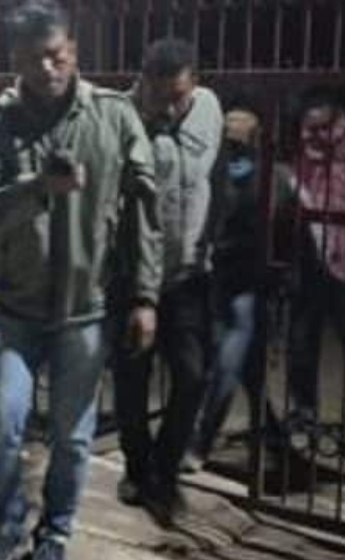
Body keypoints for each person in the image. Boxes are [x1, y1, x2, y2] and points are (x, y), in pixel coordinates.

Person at [0, 0, 162, 560]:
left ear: (73, 49)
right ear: (15, 60)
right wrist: (36, 189)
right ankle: (7, 529)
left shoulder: (114, 116)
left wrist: (145, 296)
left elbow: (144, 215)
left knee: (73, 440)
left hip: (86, 310)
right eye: (33, 59)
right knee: (1, 427)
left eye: (55, 55)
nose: (46, 68)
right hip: (14, 310)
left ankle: (54, 534)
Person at [113, 38, 223, 525]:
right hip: (131, 275)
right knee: (132, 380)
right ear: (143, 82)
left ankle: (165, 465)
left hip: (186, 276)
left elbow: (214, 175)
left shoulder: (209, 108)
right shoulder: (121, 118)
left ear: (194, 83)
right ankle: (137, 470)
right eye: (160, 96)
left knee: (193, 375)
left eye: (179, 96)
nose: (170, 107)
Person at [183, 100, 261, 469]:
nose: (232, 146)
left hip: (240, 279)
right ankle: (268, 431)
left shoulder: (258, 177)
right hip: (221, 278)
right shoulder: (222, 171)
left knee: (228, 361)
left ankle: (201, 441)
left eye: (237, 139)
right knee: (233, 360)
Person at [287, 88, 345, 435]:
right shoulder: (304, 154)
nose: (309, 137)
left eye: (318, 129)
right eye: (306, 128)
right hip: (310, 252)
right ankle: (304, 410)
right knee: (301, 336)